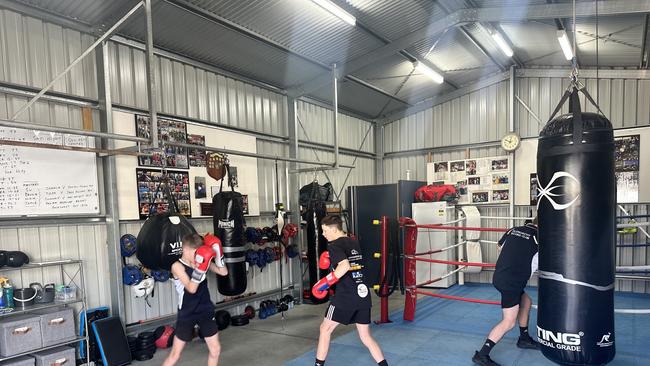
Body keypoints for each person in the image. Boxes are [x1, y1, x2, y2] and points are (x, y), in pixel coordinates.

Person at [312, 215, 388, 366]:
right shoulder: (353, 242)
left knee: (325, 329)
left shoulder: (334, 245)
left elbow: (345, 266)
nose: (323, 234)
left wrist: (324, 283)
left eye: (325, 230)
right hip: (363, 294)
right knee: (365, 336)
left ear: (334, 230)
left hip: (346, 296)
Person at [472, 217, 540, 366]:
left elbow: (499, 246)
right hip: (512, 282)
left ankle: (524, 338)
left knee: (526, 301)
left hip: (501, 275)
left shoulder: (514, 229)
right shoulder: (540, 238)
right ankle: (482, 354)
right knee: (508, 322)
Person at [162, 233, 228, 366]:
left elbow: (223, 272)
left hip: (205, 310)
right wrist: (201, 268)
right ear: (185, 250)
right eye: (195, 252)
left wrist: (219, 256)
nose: (197, 255)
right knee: (175, 355)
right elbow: (191, 289)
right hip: (187, 313)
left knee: (215, 350)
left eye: (199, 252)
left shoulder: (201, 259)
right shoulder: (177, 266)